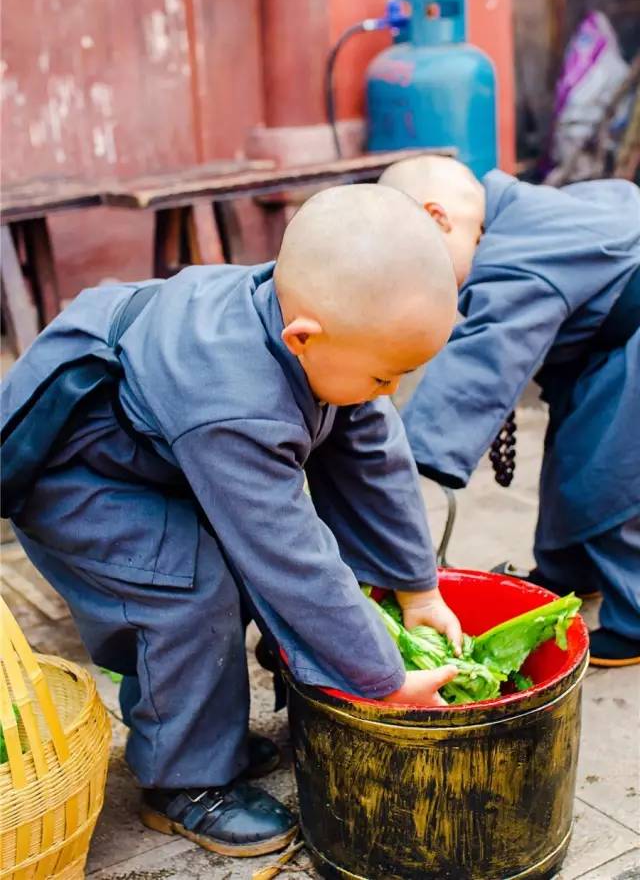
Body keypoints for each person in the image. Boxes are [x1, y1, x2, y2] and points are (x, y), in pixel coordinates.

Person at [1, 184, 462, 857]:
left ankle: (199, 726)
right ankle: (184, 783)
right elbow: (286, 553)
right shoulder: (235, 401)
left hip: (157, 451)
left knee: (222, 567)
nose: (387, 393)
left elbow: (374, 455)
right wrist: (381, 678)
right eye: (383, 377)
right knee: (185, 592)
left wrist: (419, 589)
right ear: (303, 336)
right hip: (75, 474)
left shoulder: (326, 332)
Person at [379, 155, 640, 668]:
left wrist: (396, 459)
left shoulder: (517, 255)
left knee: (608, 483)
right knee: (570, 463)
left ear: (438, 218)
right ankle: (569, 574)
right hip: (601, 353)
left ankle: (635, 618)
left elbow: (481, 359)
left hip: (629, 347)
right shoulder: (526, 208)